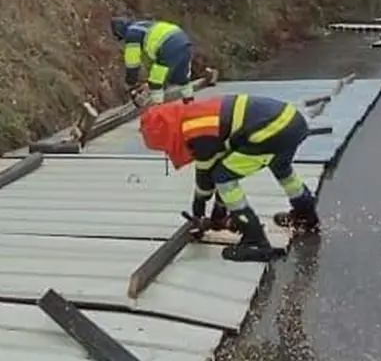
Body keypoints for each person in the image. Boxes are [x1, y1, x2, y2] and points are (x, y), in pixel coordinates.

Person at [137, 92, 321, 262]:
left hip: (271, 131)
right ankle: (306, 215)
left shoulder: (196, 134)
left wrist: (199, 211)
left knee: (224, 178)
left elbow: (207, 176)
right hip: (289, 120)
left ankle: (255, 241)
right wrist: (218, 211)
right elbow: (215, 163)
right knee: (282, 170)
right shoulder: (193, 117)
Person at [109, 16, 194, 105]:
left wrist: (130, 83)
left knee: (155, 82)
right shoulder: (144, 26)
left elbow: (132, 63)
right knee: (181, 77)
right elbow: (152, 60)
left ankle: (159, 111)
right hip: (183, 40)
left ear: (119, 32)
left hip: (167, 46)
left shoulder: (132, 34)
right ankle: (190, 103)